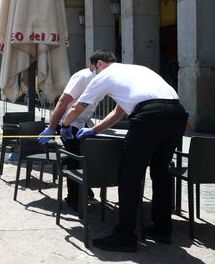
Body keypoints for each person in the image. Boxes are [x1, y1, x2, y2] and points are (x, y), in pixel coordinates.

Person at [61, 51, 187, 252]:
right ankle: (163, 229)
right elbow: (119, 111)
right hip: (177, 113)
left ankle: (125, 235)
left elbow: (78, 107)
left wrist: (65, 125)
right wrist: (93, 130)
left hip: (150, 115)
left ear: (99, 64)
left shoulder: (103, 75)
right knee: (161, 171)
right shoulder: (135, 70)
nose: (91, 74)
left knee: (129, 173)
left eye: (92, 70)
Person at [38, 52, 119, 210]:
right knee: (74, 158)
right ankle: (73, 198)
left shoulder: (107, 78)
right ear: (97, 65)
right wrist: (51, 128)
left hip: (83, 122)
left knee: (90, 156)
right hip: (68, 122)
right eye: (91, 68)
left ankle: (85, 188)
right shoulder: (83, 77)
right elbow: (63, 102)